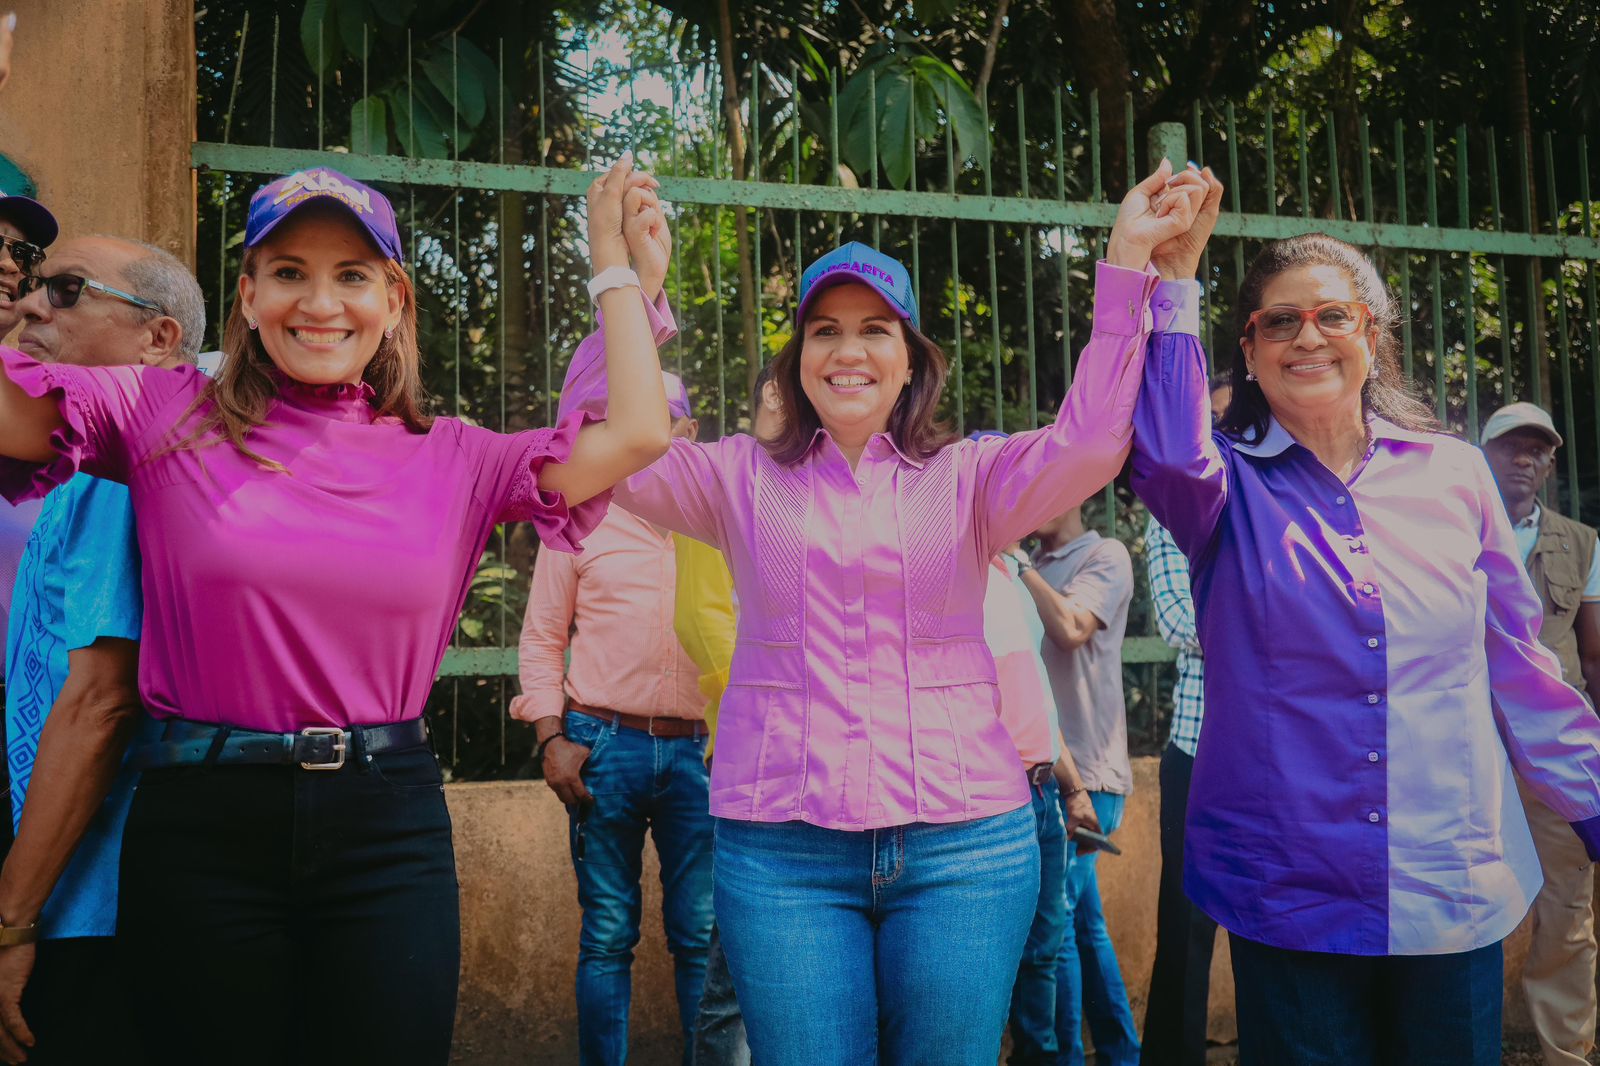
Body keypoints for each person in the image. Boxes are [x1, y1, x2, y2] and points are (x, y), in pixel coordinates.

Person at [0, 159, 670, 1066]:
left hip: (384, 826)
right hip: (201, 823)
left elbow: (636, 432)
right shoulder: (161, 409)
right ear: (248, 295)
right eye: (289, 272)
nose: (320, 303)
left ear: (392, 301)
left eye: (351, 275)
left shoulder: (457, 457)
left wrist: (617, 271)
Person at [559, 159, 1206, 1065]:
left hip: (964, 850)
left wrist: (1128, 263)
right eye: (824, 331)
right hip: (781, 852)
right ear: (798, 362)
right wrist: (629, 284)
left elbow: (1094, 442)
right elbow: (600, 449)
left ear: (910, 362)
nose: (848, 350)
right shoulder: (737, 478)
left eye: (875, 330)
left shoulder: (971, 478)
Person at [1130, 166, 1600, 1064]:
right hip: (1288, 887)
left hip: (1447, 879)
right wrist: (1175, 281)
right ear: (1250, 348)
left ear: (1371, 337)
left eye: (1332, 316)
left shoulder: (1454, 474)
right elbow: (1163, 456)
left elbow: (1518, 660)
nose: (1307, 336)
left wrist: (1589, 797)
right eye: (1279, 321)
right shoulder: (1222, 485)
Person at [0, 236, 201, 1066]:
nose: (31, 305)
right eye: (33, 285)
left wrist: (13, 923)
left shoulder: (134, 460)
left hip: (90, 901)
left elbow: (101, 701)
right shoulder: (83, 456)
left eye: (67, 289)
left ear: (158, 338)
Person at [514, 369, 713, 1066]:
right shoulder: (578, 521)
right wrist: (552, 736)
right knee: (605, 936)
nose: (642, 441)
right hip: (600, 747)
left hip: (702, 753)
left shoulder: (721, 523)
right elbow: (542, 637)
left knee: (701, 934)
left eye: (658, 424)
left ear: (687, 432)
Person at [1480, 400, 1600, 1066]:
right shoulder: (1448, 529)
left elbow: (1594, 657)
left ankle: (1566, 1056)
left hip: (1555, 755)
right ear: (1484, 455)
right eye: (1510, 447)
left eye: (1537, 450)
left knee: (1565, 910)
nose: (1523, 459)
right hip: (1473, 747)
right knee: (1460, 900)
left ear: (1552, 463)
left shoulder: (1582, 542)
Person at [675, 362, 783, 1066]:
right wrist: (756, 705)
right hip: (757, 755)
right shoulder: (723, 478)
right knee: (736, 973)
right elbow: (700, 618)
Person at [1020, 503, 1139, 1066]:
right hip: (1044, 772)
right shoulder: (1029, 563)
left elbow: (1071, 629)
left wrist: (1020, 567)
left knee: (1057, 930)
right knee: (1085, 927)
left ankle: (1065, 1056)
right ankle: (1122, 1053)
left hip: (1088, 778)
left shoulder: (1105, 555)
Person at [1139, 375, 1229, 1066]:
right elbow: (1180, 622)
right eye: (1213, 422)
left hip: (1283, 751)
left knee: (1281, 927)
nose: (1226, 436)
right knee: (1186, 926)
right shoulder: (1170, 512)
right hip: (1199, 751)